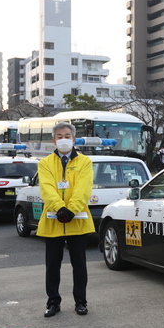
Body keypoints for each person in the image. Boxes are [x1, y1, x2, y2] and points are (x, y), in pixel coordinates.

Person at [39, 122, 95, 317]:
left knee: (79, 265)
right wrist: (59, 208)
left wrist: (71, 210)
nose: (64, 139)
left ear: (74, 138)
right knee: (52, 266)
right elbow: (46, 188)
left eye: (67, 135)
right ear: (53, 140)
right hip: (53, 220)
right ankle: (53, 302)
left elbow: (84, 188)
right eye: (60, 136)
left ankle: (81, 301)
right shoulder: (45, 163)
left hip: (77, 220)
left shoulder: (85, 162)